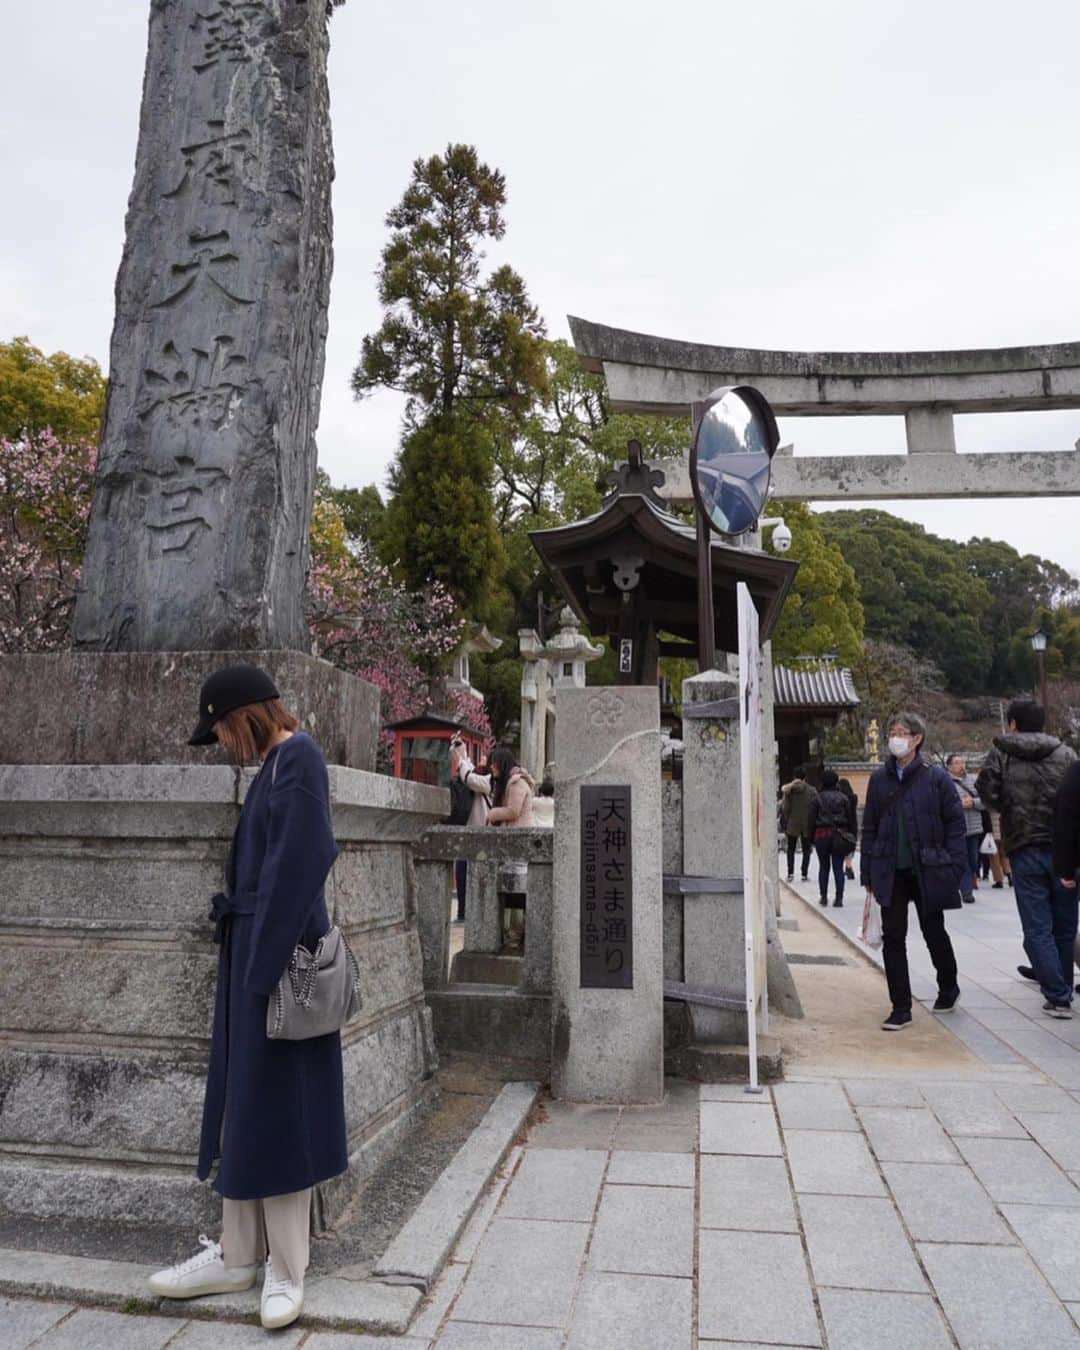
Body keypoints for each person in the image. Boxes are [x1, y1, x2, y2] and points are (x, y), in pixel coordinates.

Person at [148, 664, 347, 1329]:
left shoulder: (298, 758)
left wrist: (261, 973)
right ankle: (238, 1252)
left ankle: (285, 1269)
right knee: (247, 1104)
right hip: (259, 955)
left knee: (280, 1108)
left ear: (245, 716)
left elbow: (301, 863)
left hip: (279, 964)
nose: (224, 742)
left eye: (224, 728)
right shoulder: (277, 763)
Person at [861, 711, 967, 1031]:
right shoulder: (880, 779)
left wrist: (955, 864)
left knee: (933, 930)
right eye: (892, 731)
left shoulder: (937, 778)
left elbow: (955, 824)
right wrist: (867, 872)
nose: (895, 737)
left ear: (917, 739)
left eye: (902, 732)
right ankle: (900, 1006)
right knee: (894, 937)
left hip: (929, 868)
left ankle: (948, 986)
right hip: (890, 869)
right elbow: (869, 828)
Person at [977, 699, 1078, 1018]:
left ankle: (1058, 994)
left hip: (1023, 845)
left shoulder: (1001, 753)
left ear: (1013, 724)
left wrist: (1010, 808)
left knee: (1037, 926)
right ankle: (1061, 986)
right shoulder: (1066, 753)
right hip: (1066, 848)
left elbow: (987, 793)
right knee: (1065, 923)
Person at [449, 737, 492, 922]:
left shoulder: (489, 781)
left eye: (485, 758)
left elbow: (469, 776)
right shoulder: (481, 775)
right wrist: (461, 751)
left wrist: (461, 760)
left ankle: (473, 911)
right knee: (462, 870)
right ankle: (463, 910)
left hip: (482, 832)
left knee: (477, 875)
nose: (481, 758)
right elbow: (467, 767)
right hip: (470, 829)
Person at [807, 769, 857, 907]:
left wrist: (811, 838)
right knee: (838, 867)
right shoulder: (843, 798)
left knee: (824, 867)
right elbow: (851, 819)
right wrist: (852, 835)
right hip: (839, 834)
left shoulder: (816, 799)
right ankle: (839, 898)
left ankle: (823, 897)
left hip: (821, 834)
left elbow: (811, 820)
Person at [946, 753, 984, 904]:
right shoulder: (945, 782)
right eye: (956, 762)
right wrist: (958, 805)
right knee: (962, 860)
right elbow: (942, 804)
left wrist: (973, 802)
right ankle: (966, 892)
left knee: (973, 860)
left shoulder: (973, 781)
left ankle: (961, 882)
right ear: (949, 766)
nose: (960, 765)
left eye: (961, 762)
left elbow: (985, 801)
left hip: (974, 827)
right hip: (955, 828)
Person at [780, 768, 818, 883]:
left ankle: (790, 873)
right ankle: (804, 874)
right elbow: (815, 807)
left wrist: (788, 817)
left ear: (794, 777)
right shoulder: (812, 790)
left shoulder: (788, 790)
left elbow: (785, 808)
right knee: (807, 849)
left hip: (792, 822)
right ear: (805, 777)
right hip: (807, 823)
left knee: (790, 848)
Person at [485, 747, 535, 827]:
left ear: (502, 764)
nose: (491, 766)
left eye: (494, 763)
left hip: (521, 832)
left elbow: (513, 812)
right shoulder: (509, 782)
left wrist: (493, 813)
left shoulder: (517, 782)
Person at [838, 776, 859, 880]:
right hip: (853, 825)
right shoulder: (854, 797)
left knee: (842, 846)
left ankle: (846, 868)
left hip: (843, 825)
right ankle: (848, 866)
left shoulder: (840, 798)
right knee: (850, 846)